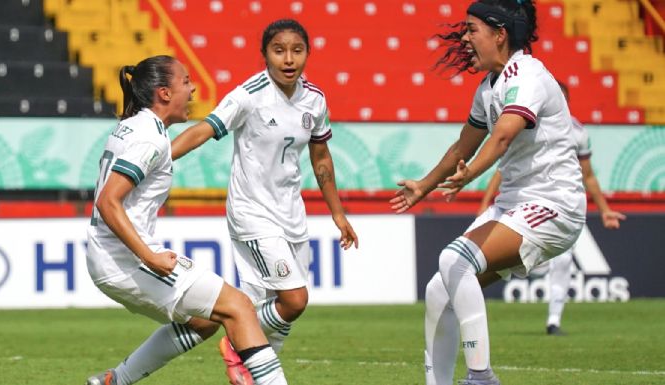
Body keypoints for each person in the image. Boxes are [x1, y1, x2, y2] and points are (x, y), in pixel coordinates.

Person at [390, 1, 586, 384]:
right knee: (438, 289)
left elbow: (502, 136)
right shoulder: (489, 87)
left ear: (500, 34)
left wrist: (470, 176)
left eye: (472, 29)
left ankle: (481, 377)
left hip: (553, 204)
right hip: (514, 204)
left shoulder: (528, 75)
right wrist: (423, 186)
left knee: (454, 260)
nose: (464, 38)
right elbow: (463, 147)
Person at [171, 19, 359, 385]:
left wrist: (338, 214)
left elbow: (321, 157)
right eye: (279, 50)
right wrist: (158, 156)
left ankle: (246, 366)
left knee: (274, 316)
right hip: (252, 212)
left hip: (292, 214)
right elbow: (204, 130)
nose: (288, 59)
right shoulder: (248, 95)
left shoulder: (315, 99)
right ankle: (235, 344)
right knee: (294, 300)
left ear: (307, 53)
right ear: (265, 55)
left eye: (297, 50)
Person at [85, 55, 288, 385]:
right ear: (164, 93)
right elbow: (109, 201)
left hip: (112, 257)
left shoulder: (137, 127)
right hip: (125, 261)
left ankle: (114, 381)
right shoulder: (149, 137)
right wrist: (148, 256)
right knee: (239, 307)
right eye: (185, 82)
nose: (193, 89)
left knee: (205, 319)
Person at [477, 81, 626, 336]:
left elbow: (587, 175)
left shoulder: (577, 132)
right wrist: (484, 203)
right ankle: (495, 284)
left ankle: (553, 321)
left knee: (563, 261)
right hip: (525, 205)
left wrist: (604, 210)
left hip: (560, 207)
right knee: (524, 265)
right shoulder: (527, 127)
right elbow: (503, 171)